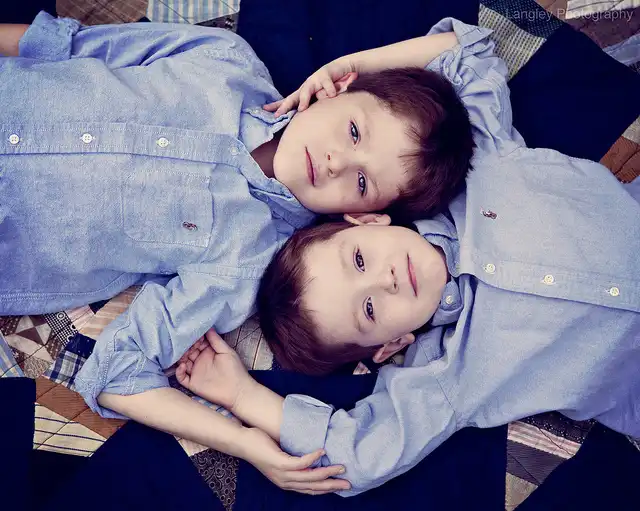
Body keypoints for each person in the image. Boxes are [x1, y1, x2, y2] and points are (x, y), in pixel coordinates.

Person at [0, 12, 491, 494]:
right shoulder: (227, 59)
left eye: (362, 182)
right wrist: (348, 64)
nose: (336, 162)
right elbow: (66, 45)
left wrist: (243, 440)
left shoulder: (244, 259)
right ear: (340, 90)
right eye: (354, 132)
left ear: (363, 215)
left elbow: (117, 374)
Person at [175, 30, 640, 500]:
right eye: (369, 309)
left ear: (368, 220)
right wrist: (243, 397)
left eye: (360, 259)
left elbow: (466, 51)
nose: (386, 280)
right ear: (389, 346)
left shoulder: (476, 163)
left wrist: (346, 68)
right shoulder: (447, 378)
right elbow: (358, 456)